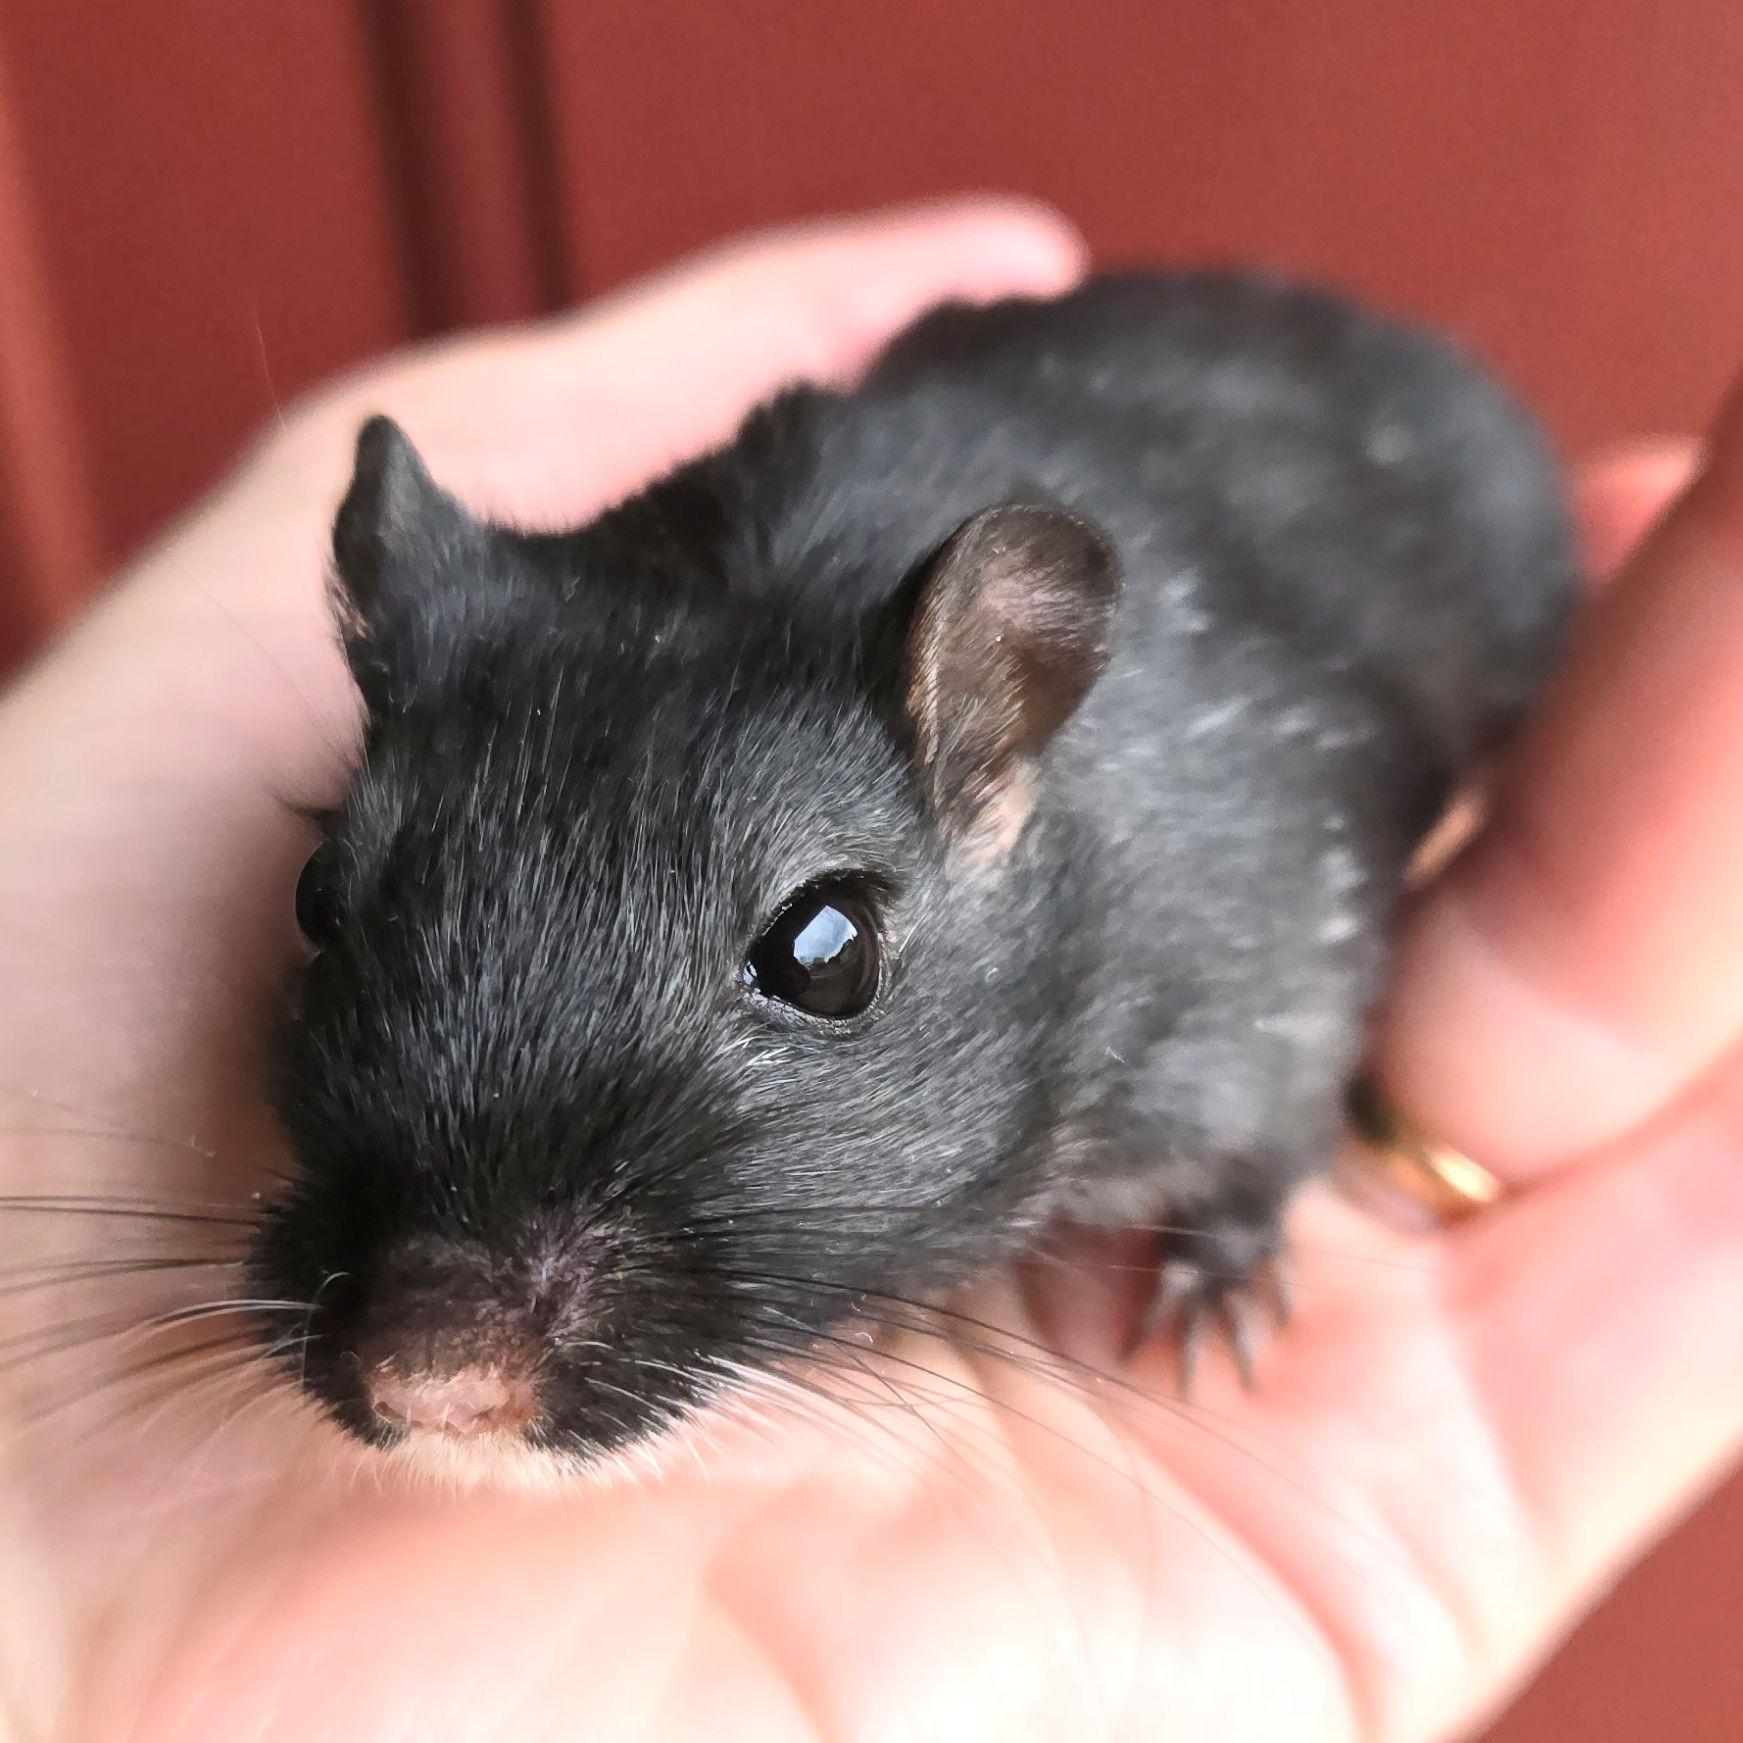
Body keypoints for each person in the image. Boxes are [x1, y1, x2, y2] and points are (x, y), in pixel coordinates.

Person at [0, 198, 1735, 1743]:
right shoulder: (507, 637)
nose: (432, 1355)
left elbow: (1294, 981)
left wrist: (1252, 1191)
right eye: (340, 904)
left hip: (1385, 457)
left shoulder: (1179, 916)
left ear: (995, 749)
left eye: (809, 963)